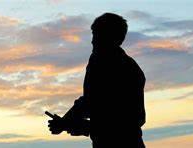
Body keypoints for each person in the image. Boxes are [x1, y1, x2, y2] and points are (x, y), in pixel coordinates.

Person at [47, 13, 146, 148]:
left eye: (97, 35)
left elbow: (124, 119)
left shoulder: (107, 64)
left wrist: (67, 123)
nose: (92, 41)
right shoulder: (122, 65)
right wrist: (66, 122)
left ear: (109, 37)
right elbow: (93, 104)